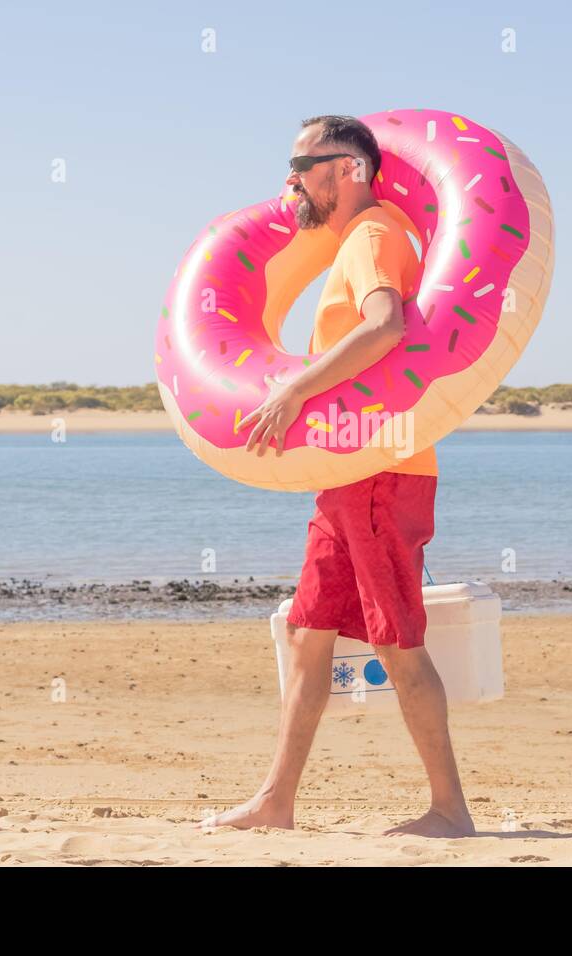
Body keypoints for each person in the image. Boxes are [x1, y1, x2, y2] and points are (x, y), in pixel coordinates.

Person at [199, 115, 475, 838]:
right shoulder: (350, 242)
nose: (290, 178)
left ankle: (450, 810)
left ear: (348, 167)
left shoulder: (375, 236)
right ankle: (275, 801)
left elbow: (386, 326)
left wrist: (292, 391)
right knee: (306, 629)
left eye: (301, 162)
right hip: (347, 472)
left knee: (396, 640)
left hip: (383, 469)